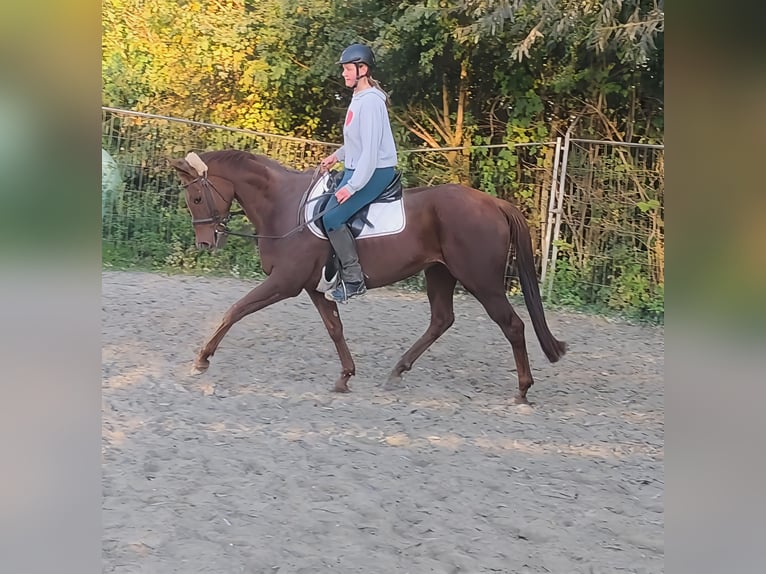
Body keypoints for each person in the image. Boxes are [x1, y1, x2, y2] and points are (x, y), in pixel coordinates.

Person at [319, 43, 398, 303]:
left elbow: (371, 152)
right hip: (357, 167)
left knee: (331, 218)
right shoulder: (359, 98)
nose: (344, 73)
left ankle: (353, 280)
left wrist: (351, 187)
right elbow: (357, 142)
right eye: (343, 69)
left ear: (362, 69)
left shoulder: (372, 103)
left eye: (347, 69)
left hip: (375, 171)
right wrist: (337, 156)